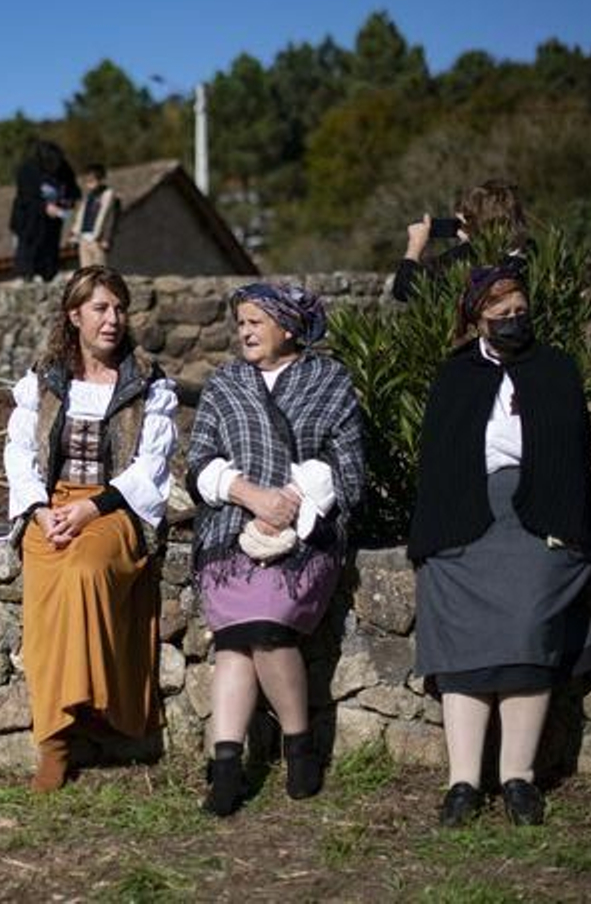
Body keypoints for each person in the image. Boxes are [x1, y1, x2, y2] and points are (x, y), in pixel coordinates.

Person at [409, 263, 591, 828]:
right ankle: (463, 783)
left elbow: (575, 460)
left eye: (521, 311)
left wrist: (571, 528)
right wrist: (432, 535)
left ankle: (519, 778)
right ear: (477, 319)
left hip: (540, 515)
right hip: (464, 517)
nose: (514, 321)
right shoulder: (456, 375)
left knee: (527, 626)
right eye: (501, 314)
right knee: (461, 635)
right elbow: (437, 463)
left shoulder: (555, 369)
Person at [186, 283, 365, 815]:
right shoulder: (224, 384)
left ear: (288, 327)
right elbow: (200, 462)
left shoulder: (330, 381)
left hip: (304, 538)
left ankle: (297, 743)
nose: (244, 331)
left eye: (255, 322)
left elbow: (348, 465)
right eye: (240, 322)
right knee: (233, 641)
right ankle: (226, 765)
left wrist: (291, 501)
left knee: (266, 627)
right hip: (230, 533)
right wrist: (250, 496)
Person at [3, 265, 178, 792]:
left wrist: (91, 509)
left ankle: (82, 716)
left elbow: (151, 467)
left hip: (114, 509)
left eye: (119, 308)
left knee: (83, 572)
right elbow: (19, 453)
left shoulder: (146, 383)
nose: (112, 319)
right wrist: (39, 511)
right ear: (74, 315)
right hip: (50, 507)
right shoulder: (45, 379)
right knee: (46, 597)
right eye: (100, 308)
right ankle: (55, 743)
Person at [393, 179, 530, 303]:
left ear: (481, 225)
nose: (459, 226)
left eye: (466, 220)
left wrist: (415, 246)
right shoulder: (529, 251)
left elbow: (403, 289)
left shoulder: (465, 258)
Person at [10, 138, 80, 281]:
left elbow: (73, 190)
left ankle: (49, 272)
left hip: (54, 217)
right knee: (30, 244)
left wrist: (67, 202)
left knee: (51, 243)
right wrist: (44, 207)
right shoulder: (27, 170)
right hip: (28, 218)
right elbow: (26, 197)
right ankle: (28, 274)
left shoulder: (64, 168)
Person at [68, 163, 119, 269]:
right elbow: (80, 217)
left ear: (101, 180)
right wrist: (74, 234)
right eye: (87, 181)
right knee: (86, 269)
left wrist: (107, 238)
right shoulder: (88, 198)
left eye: (92, 181)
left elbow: (110, 219)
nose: (89, 185)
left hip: (98, 239)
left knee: (99, 270)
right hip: (84, 238)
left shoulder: (109, 196)